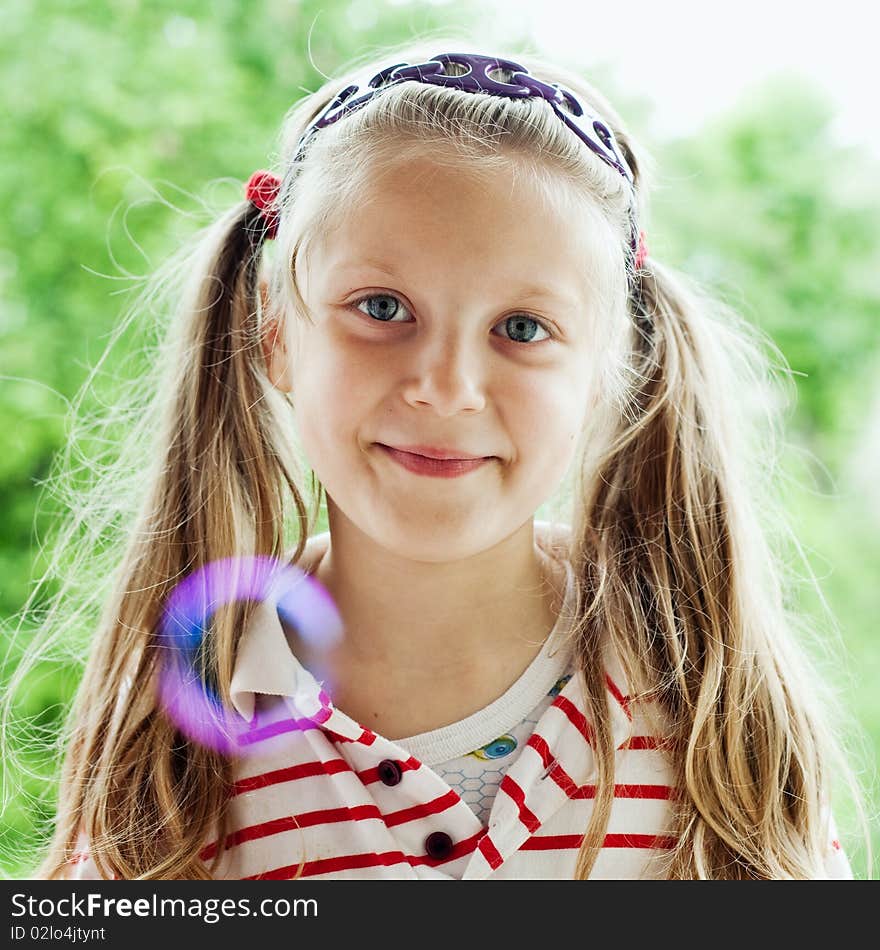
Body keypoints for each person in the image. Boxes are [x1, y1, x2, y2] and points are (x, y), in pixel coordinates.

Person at [14, 37, 864, 880]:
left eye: (522, 328)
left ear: (611, 375)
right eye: (382, 307)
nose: (446, 387)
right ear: (275, 334)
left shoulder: (717, 713)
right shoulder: (175, 745)